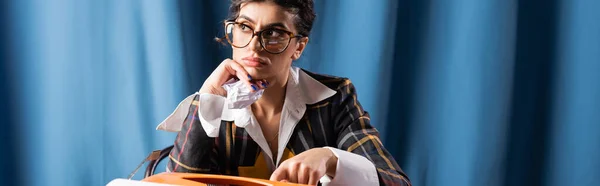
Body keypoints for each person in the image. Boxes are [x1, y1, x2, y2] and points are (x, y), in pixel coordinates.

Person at [158, 0, 410, 185]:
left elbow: (394, 182)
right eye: (245, 27)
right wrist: (208, 100)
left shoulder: (334, 98)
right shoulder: (212, 108)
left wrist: (330, 158)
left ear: (298, 47)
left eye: (274, 33)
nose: (255, 47)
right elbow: (176, 182)